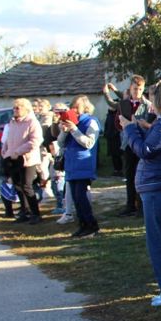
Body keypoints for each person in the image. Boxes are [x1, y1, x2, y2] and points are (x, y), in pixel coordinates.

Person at [120, 79, 161, 306]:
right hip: (160, 187)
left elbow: (146, 150)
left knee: (160, 243)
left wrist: (130, 129)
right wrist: (138, 128)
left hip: (159, 188)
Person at [104, 76, 151, 216]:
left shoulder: (147, 104)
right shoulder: (124, 104)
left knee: (142, 174)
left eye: (140, 89)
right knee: (130, 175)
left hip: (142, 142)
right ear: (130, 88)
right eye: (135, 89)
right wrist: (124, 124)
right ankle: (130, 205)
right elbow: (117, 121)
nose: (137, 92)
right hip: (128, 143)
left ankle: (142, 206)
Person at [57, 95, 101, 238]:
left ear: (85, 107)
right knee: (76, 199)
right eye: (72, 107)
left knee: (81, 197)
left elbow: (89, 143)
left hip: (83, 164)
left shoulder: (91, 121)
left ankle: (91, 226)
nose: (74, 110)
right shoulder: (71, 122)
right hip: (71, 164)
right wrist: (64, 131)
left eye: (77, 107)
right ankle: (83, 225)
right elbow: (60, 143)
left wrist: (74, 129)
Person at [1, 98, 44, 224]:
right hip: (12, 159)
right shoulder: (13, 122)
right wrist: (5, 149)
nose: (15, 110)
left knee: (27, 186)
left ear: (26, 109)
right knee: (17, 185)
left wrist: (18, 152)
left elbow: (35, 141)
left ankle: (35, 214)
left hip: (27, 160)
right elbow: (9, 138)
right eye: (14, 108)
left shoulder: (32, 122)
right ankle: (25, 212)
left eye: (18, 108)